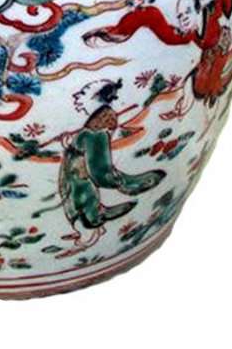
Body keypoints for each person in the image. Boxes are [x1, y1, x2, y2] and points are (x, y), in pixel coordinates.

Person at [83, 0, 232, 119]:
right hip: (208, 64)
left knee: (205, 93)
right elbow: (161, 28)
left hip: (218, 59)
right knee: (190, 87)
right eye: (180, 16)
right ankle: (180, 112)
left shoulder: (215, 12)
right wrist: (117, 34)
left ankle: (196, 116)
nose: (184, 19)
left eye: (188, 12)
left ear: (199, 7)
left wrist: (227, 19)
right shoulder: (189, 34)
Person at [54, 79, 166, 257]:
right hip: (73, 178)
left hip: (81, 181)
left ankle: (88, 240)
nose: (77, 97)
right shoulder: (90, 129)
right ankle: (87, 231)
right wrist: (69, 142)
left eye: (81, 94)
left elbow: (100, 170)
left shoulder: (96, 134)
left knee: (83, 207)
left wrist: (115, 181)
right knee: (75, 204)